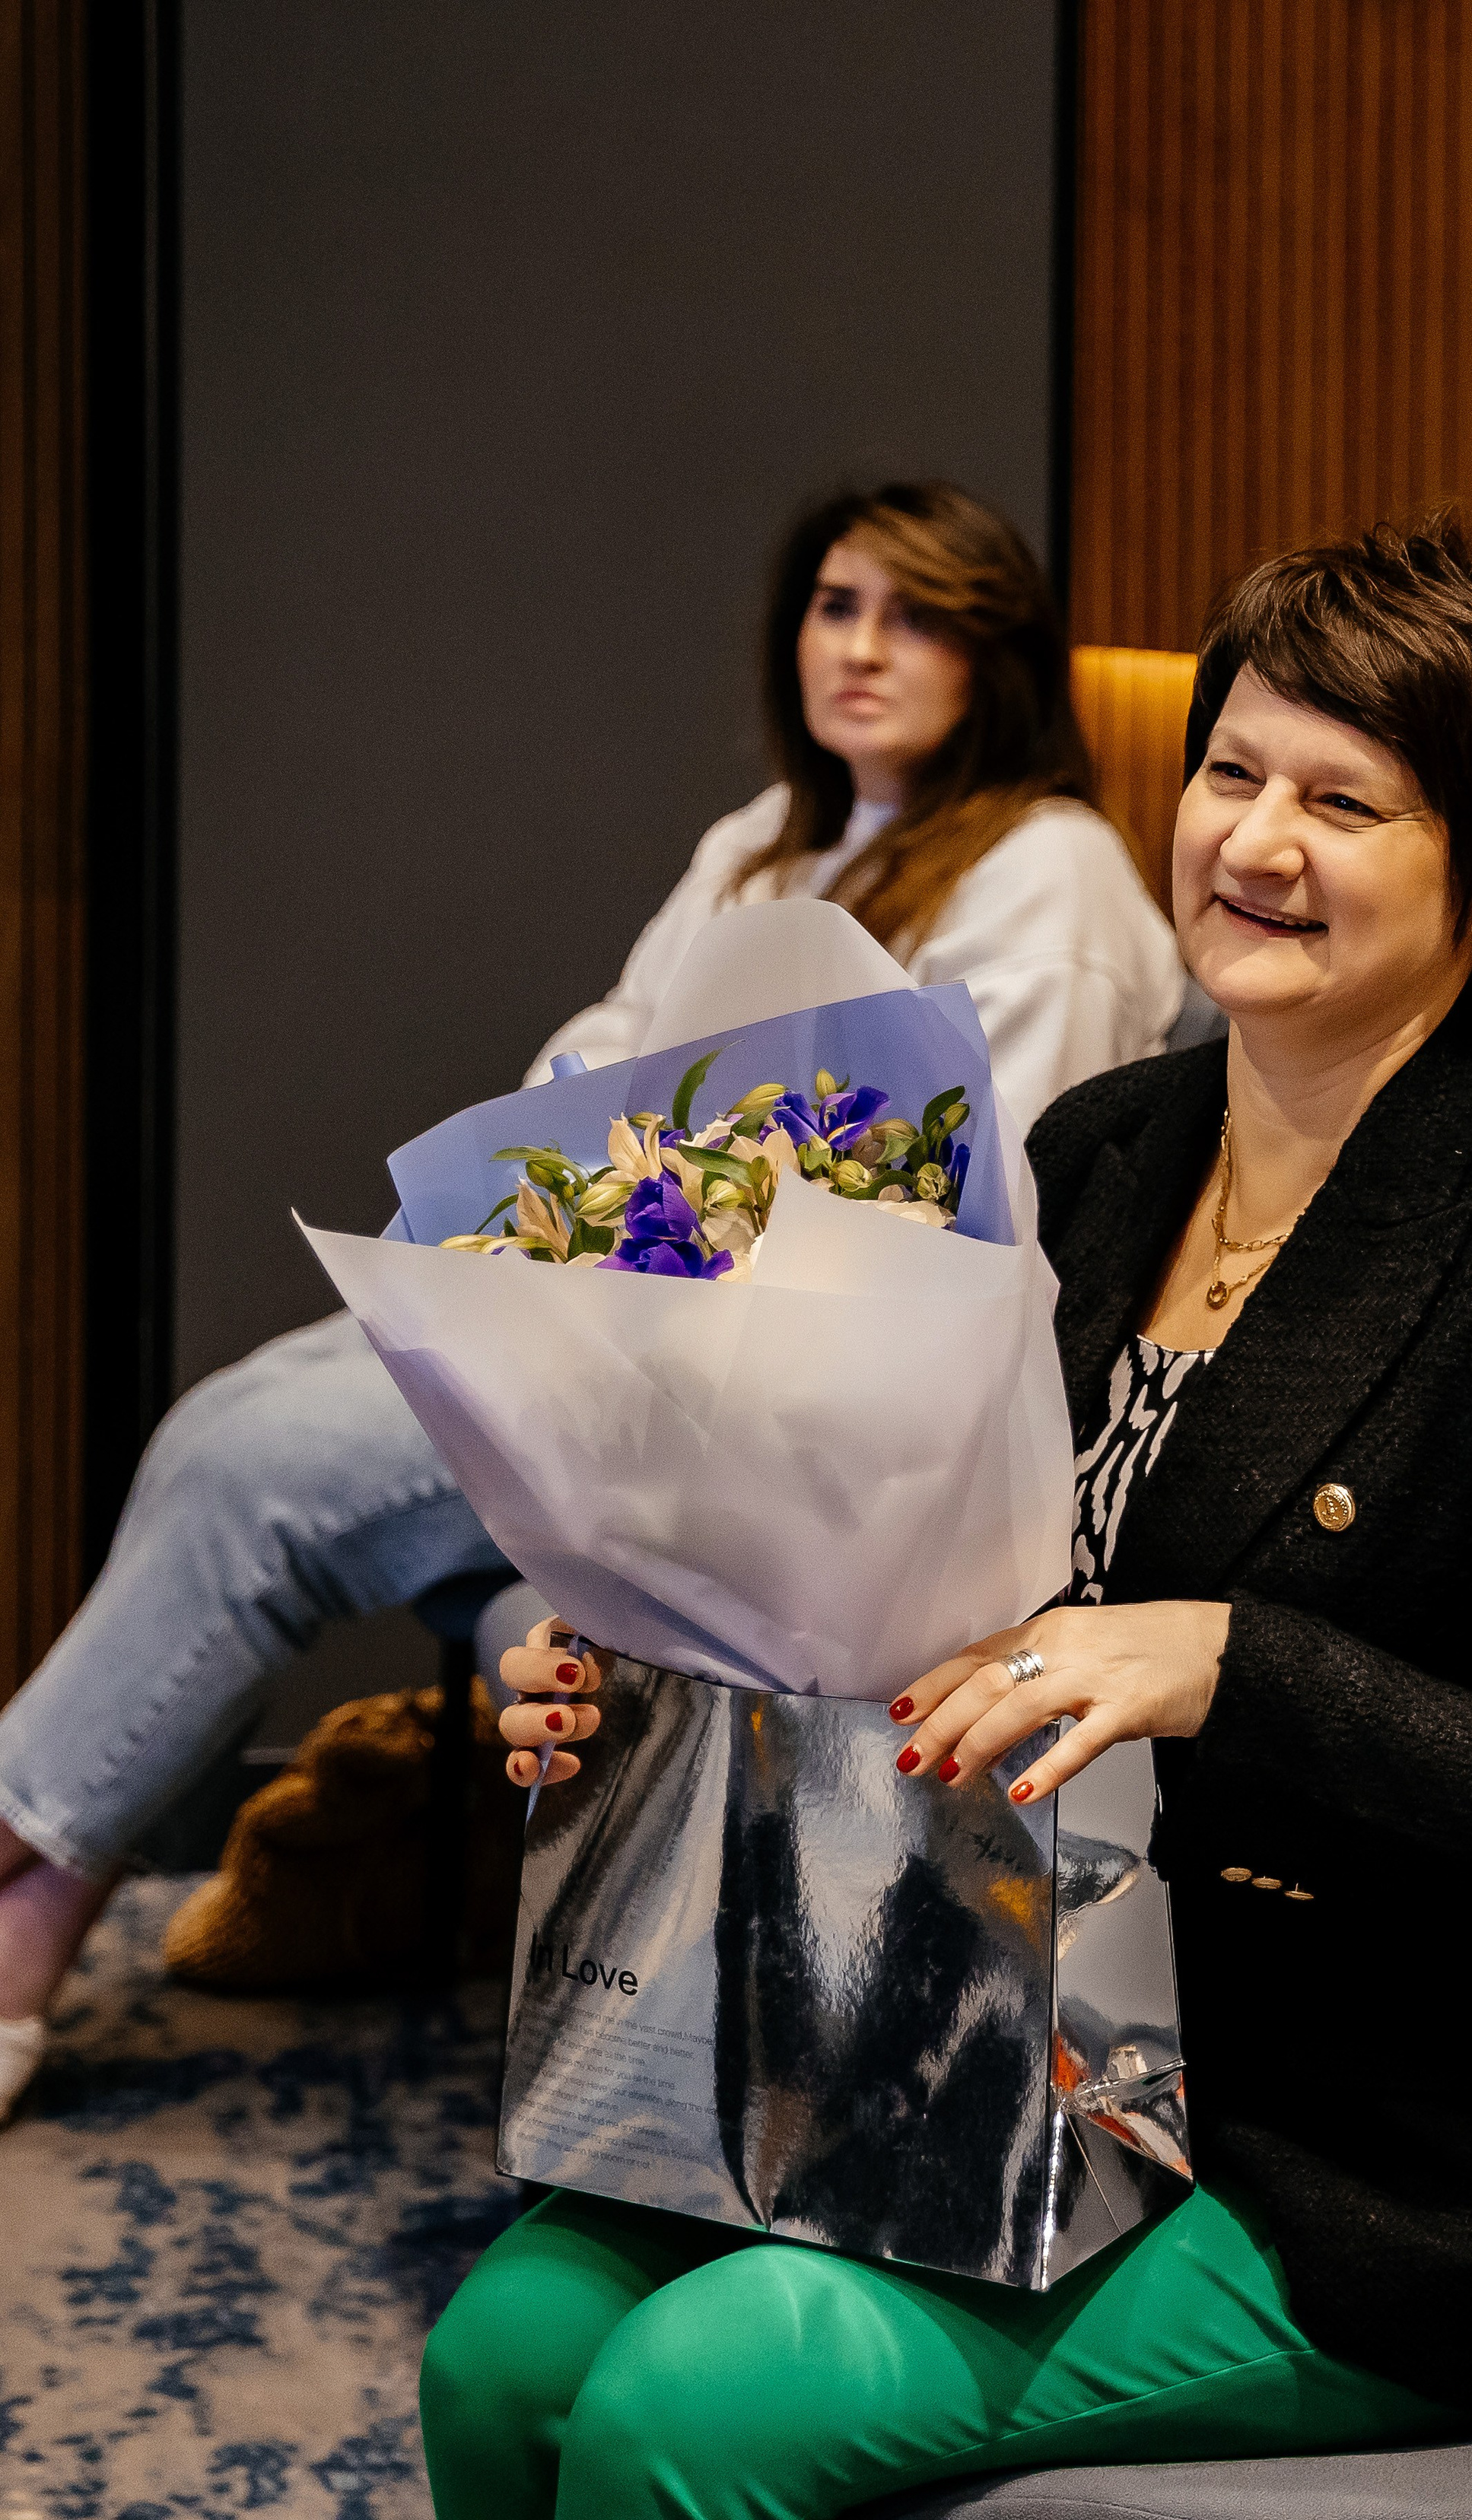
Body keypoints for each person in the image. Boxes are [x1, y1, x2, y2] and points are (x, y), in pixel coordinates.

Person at [422, 520, 1472, 2518]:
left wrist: (1226, 1664)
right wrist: (624, 1659)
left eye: (1346, 801)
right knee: (507, 2351)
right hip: (983, 2032)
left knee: (683, 2403)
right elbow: (887, 1574)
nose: (1254, 839)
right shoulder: (1105, 1149)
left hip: (1354, 2167)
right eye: (1233, 771)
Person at [0, 479, 1183, 2118]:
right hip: (619, 1342)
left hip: (789, 1424)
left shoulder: (1048, 869)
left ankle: (15, 1869)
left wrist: (668, 1200)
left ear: (1000, 656)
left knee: (245, 1463)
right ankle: (30, 1910)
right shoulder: (766, 836)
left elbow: (974, 1210)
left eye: (915, 615)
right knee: (245, 1432)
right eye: (836, 604)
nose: (860, 646)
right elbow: (589, 1064)